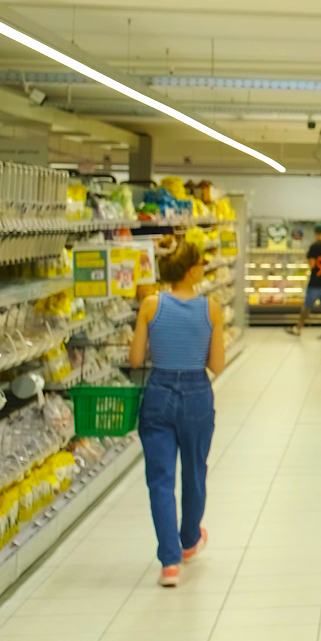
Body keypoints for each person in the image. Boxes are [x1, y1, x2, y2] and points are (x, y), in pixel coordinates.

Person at [127, 239, 226, 588]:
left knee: (160, 480)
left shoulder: (151, 305)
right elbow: (217, 365)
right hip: (197, 394)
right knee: (195, 472)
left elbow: (135, 359)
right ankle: (189, 540)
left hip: (159, 394)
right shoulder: (211, 309)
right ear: (194, 270)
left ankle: (169, 563)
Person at [293, 225, 321, 338]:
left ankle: (297, 328)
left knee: (307, 306)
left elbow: (312, 264)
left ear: (315, 233)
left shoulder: (314, 246)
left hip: (316, 281)